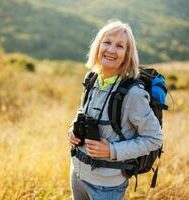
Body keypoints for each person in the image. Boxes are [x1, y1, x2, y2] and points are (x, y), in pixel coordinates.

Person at [68, 20, 163, 200]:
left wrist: (111, 150)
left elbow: (154, 139)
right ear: (98, 46)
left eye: (120, 46)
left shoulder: (133, 94)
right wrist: (71, 131)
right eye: (107, 42)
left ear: (127, 55)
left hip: (106, 186)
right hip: (77, 174)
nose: (111, 50)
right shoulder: (92, 80)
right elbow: (81, 112)